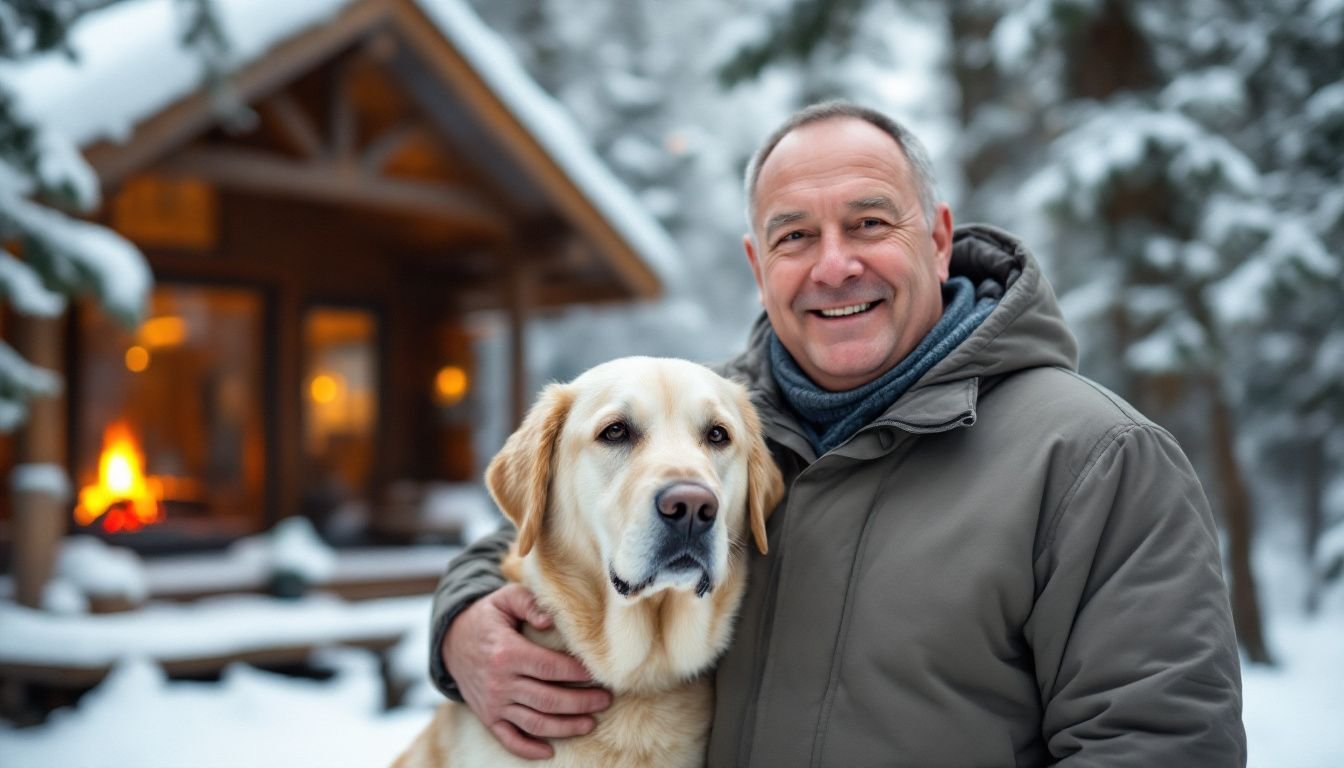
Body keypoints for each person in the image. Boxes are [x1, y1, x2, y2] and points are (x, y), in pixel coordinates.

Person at [427, 101, 1246, 765]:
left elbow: (1157, 744)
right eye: (795, 236)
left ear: (935, 236)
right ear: (759, 264)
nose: (833, 266)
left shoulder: (1095, 460)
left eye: (867, 224)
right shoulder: (718, 426)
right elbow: (537, 531)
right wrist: (463, 624)